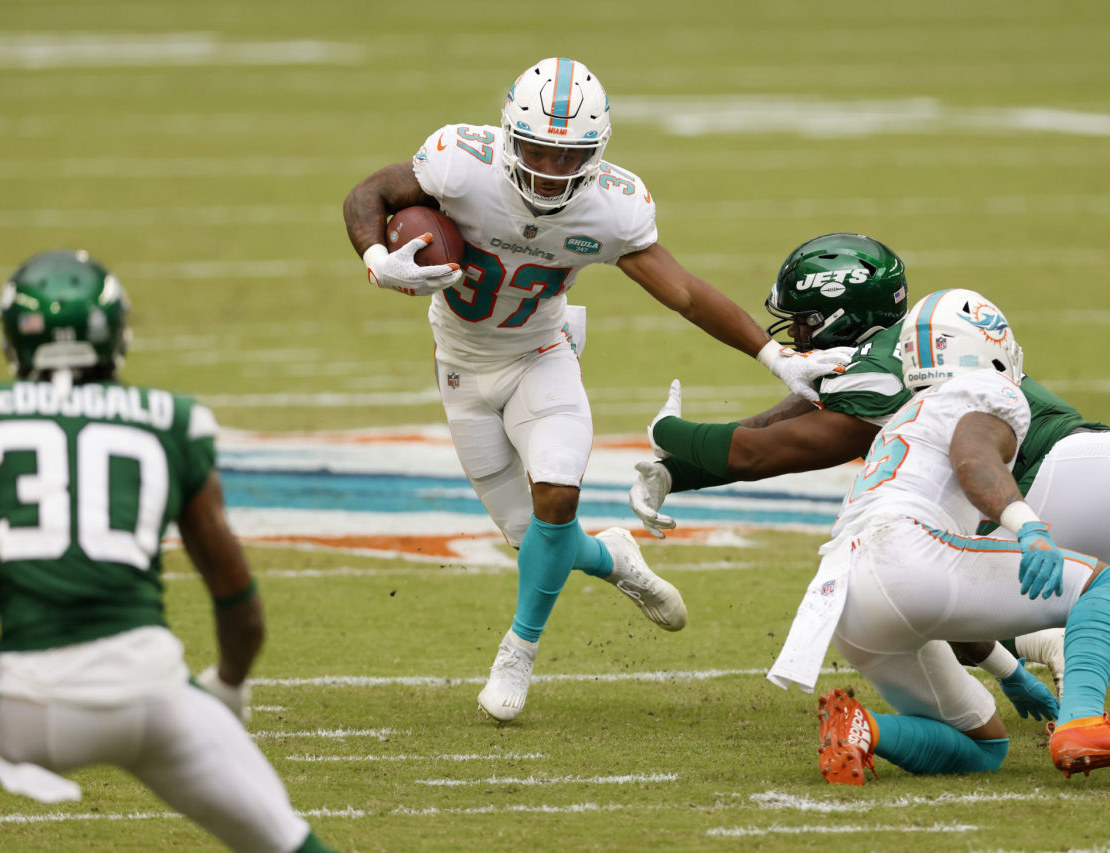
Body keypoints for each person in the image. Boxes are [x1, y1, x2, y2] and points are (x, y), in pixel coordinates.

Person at [342, 57, 850, 722]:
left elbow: (686, 293)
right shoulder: (458, 163)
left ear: (597, 151)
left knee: (556, 492)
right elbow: (366, 197)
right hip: (461, 367)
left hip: (540, 354)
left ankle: (517, 654)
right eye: (537, 151)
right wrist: (378, 260)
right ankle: (613, 555)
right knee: (534, 544)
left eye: (569, 156)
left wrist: (776, 357)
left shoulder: (611, 207)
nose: (552, 170)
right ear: (507, 135)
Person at [0, 250, 334, 852]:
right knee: (285, 840)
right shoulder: (171, 421)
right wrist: (230, 683)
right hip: (151, 699)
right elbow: (235, 593)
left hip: (29, 701)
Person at [631, 232, 1110, 710]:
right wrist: (675, 473)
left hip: (1048, 481)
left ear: (843, 316)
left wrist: (668, 432)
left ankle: (1065, 682)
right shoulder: (893, 351)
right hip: (1082, 462)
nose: (794, 334)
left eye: (804, 321)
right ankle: (1050, 658)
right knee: (949, 596)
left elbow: (760, 452)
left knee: (952, 599)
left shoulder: (881, 374)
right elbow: (769, 429)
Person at [766, 288, 1110, 784]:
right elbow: (972, 458)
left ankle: (863, 730)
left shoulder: (901, 422)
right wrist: (1026, 525)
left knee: (984, 745)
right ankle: (1081, 721)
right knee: (1099, 584)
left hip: (846, 598)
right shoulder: (990, 390)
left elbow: (944, 595)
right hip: (907, 555)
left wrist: (1010, 675)